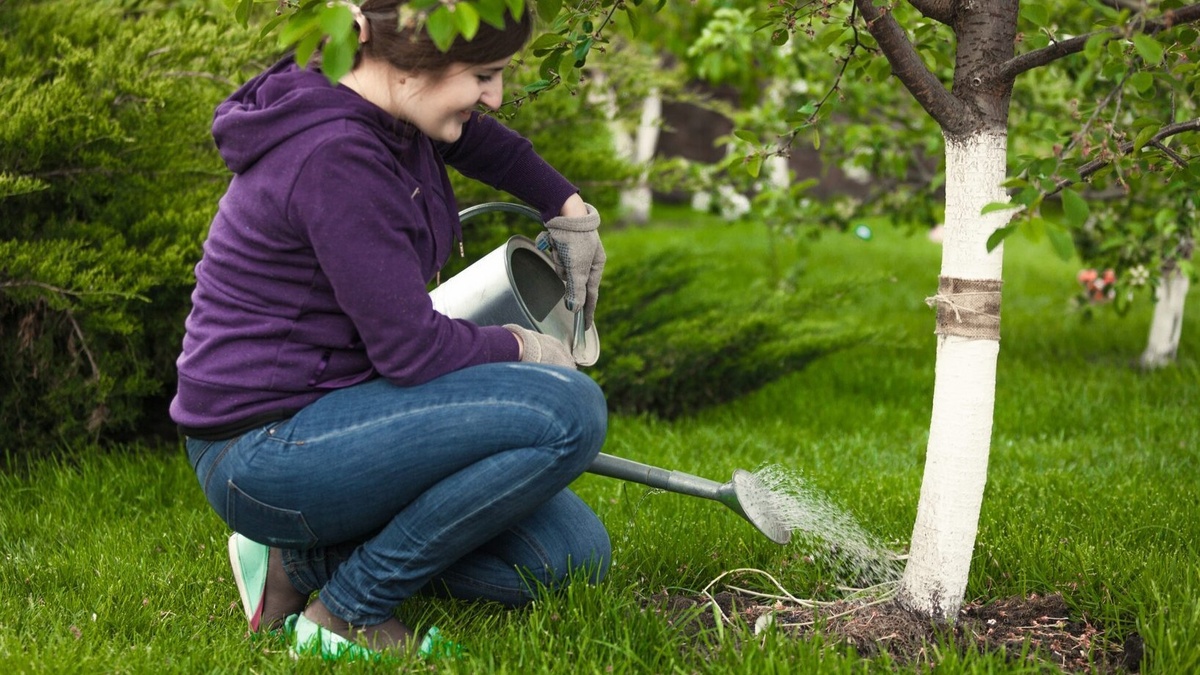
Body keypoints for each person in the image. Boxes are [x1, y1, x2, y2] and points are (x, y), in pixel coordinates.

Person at [171, 0, 610, 661]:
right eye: (484, 73)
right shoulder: (334, 156)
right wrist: (528, 348)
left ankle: (298, 560)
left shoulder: (383, 106)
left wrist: (568, 208)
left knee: (566, 559)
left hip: (340, 411)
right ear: (416, 59)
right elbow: (413, 349)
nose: (495, 95)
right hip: (263, 449)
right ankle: (347, 611)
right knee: (570, 411)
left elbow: (477, 139)